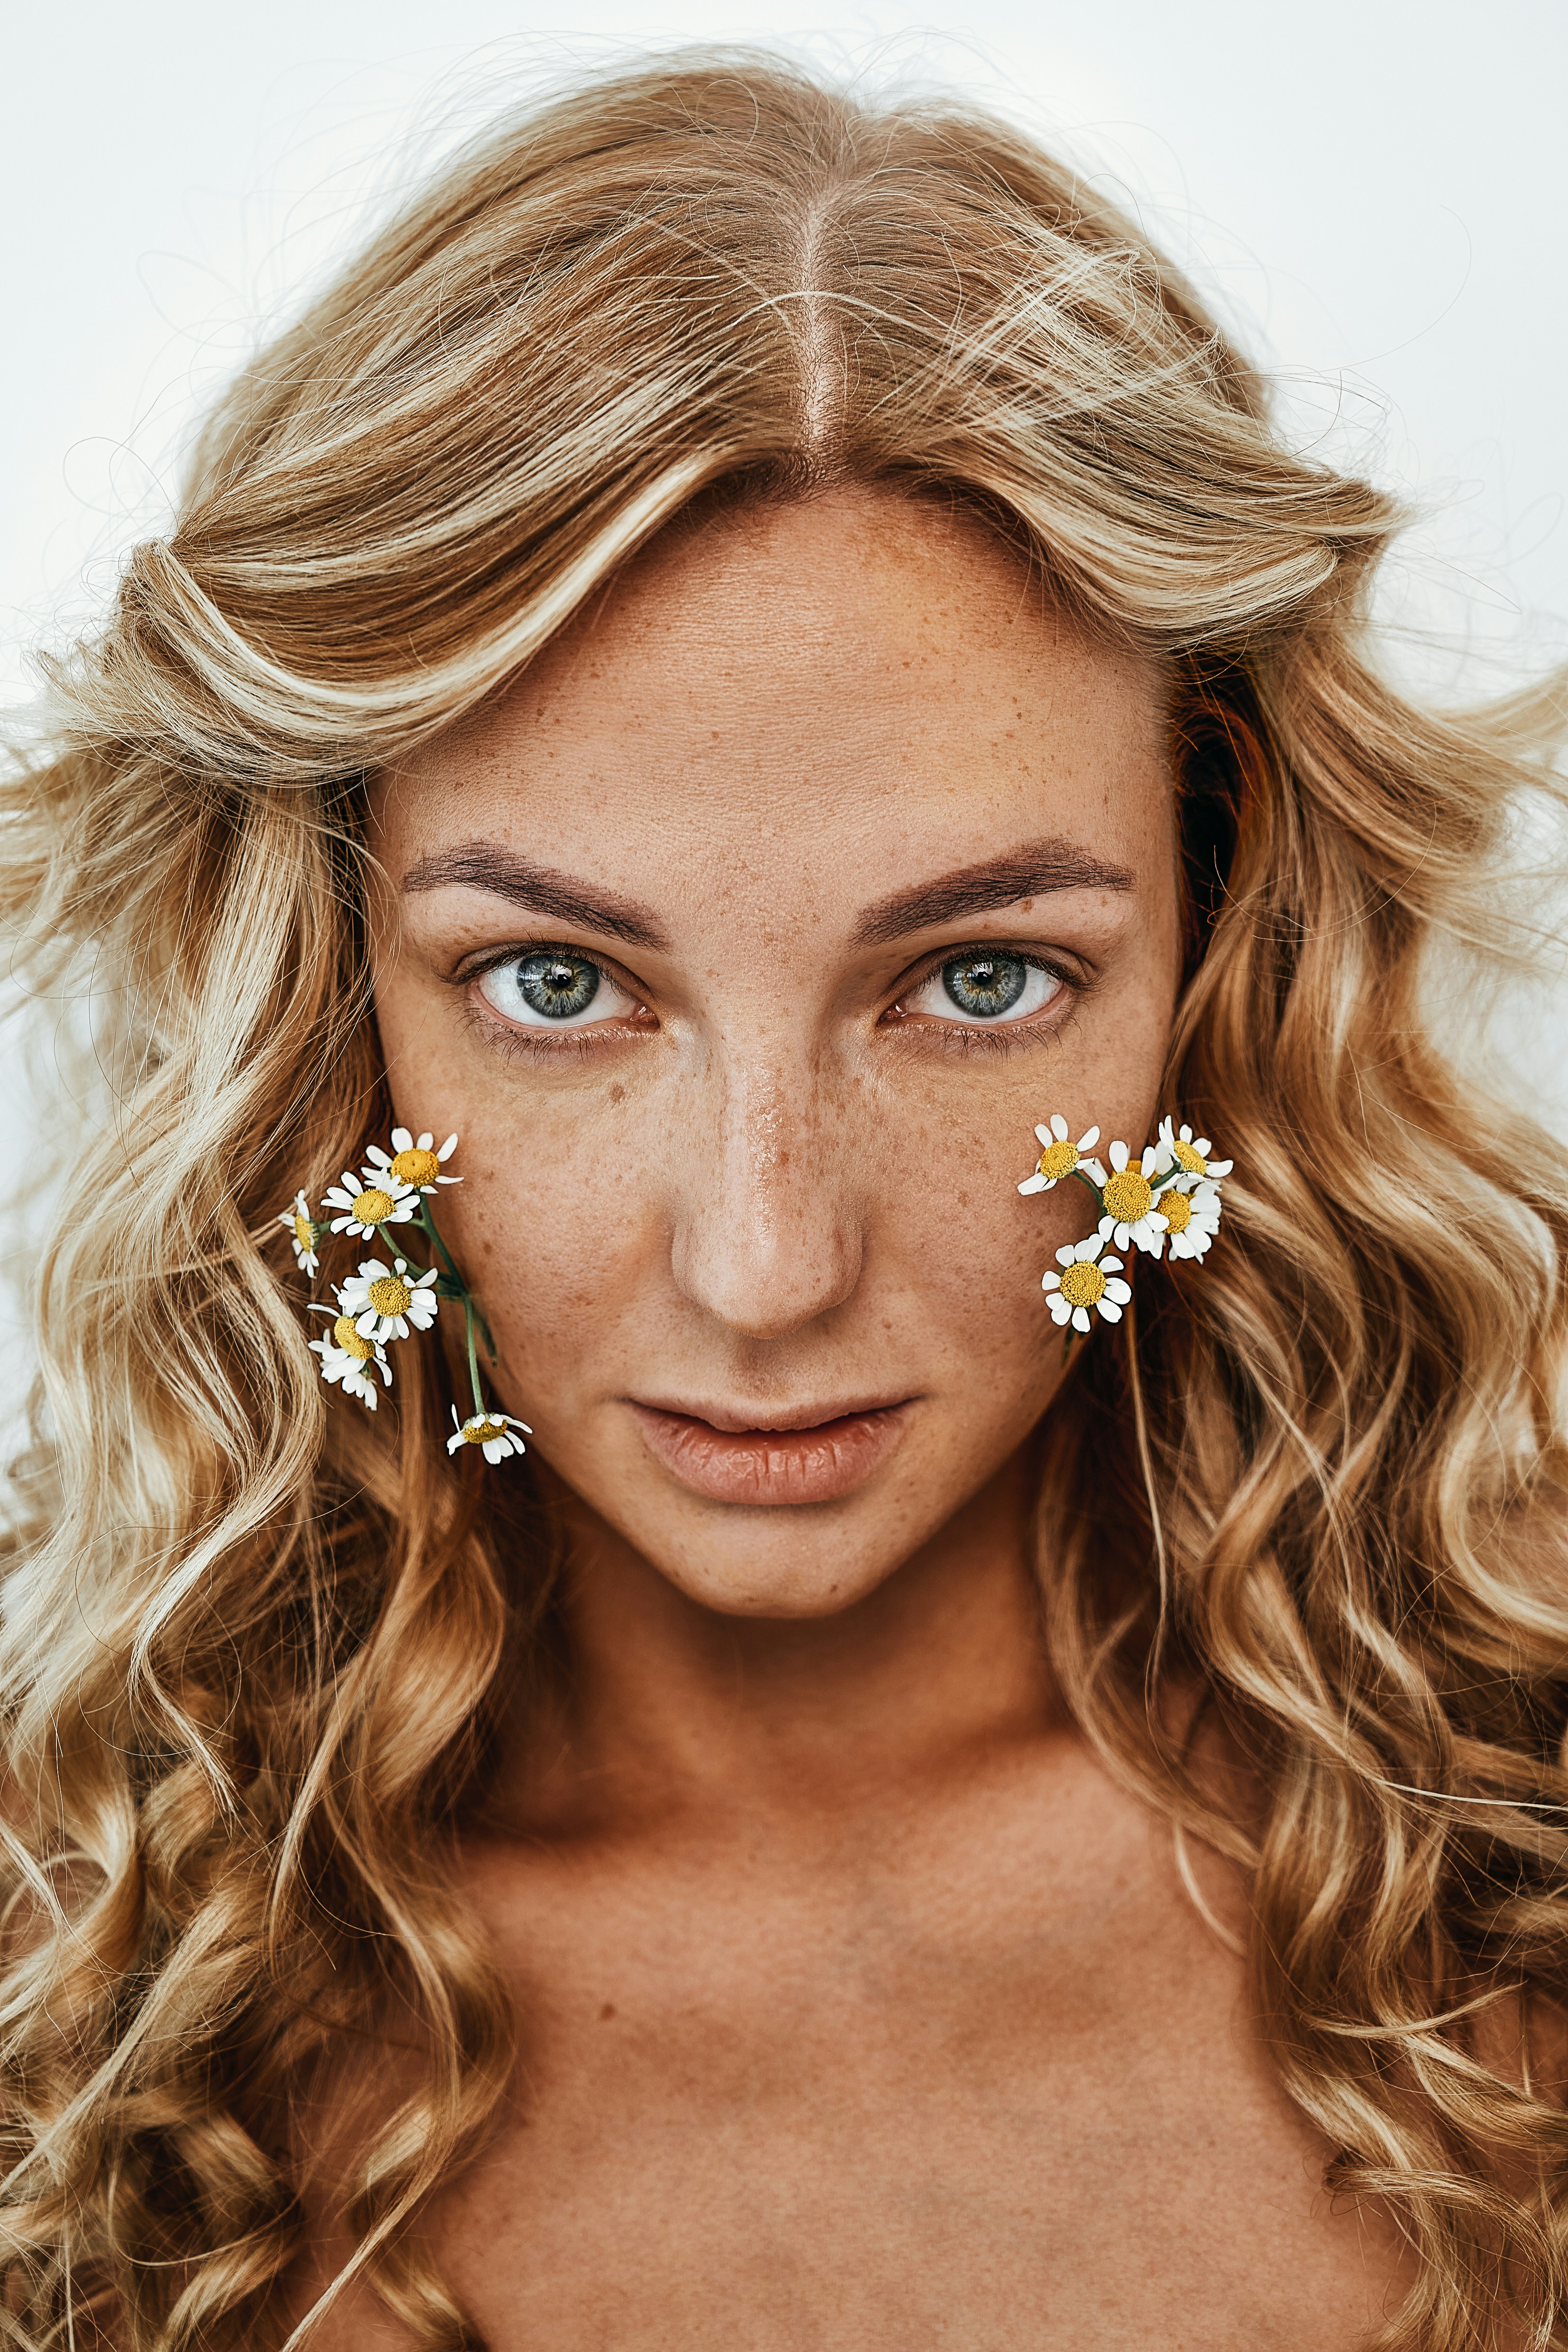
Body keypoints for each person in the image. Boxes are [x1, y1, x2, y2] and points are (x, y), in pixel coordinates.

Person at [2, 51, 1565, 2352]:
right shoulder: (67, 1990)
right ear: (327, 996)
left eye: (977, 977)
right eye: (556, 982)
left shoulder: (1515, 1889)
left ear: (1223, 949)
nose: (764, 1265)